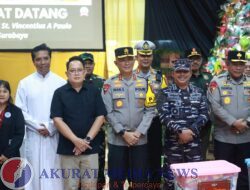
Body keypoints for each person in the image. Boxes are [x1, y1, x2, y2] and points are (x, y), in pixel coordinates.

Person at [102, 47, 155, 190]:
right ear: (115, 62)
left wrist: (137, 133)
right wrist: (124, 133)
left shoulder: (145, 83)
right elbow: (108, 112)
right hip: (118, 141)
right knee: (116, 182)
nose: (126, 63)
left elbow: (150, 110)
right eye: (122, 60)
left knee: (140, 182)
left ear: (134, 60)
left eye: (129, 59)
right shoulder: (109, 84)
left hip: (140, 140)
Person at [50, 56, 107, 190]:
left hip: (90, 148)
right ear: (66, 73)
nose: (76, 73)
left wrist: (85, 141)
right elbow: (57, 120)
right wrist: (75, 140)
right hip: (68, 150)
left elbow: (100, 117)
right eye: (72, 70)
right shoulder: (59, 93)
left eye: (79, 70)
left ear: (85, 72)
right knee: (70, 187)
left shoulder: (94, 91)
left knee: (90, 187)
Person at [15, 43, 65, 190]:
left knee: (54, 175)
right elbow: (20, 110)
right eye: (38, 59)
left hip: (54, 136)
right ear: (33, 61)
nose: (42, 62)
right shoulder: (25, 83)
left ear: (50, 59)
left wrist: (51, 127)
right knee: (33, 175)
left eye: (46, 58)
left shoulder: (61, 82)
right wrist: (38, 126)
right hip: (33, 136)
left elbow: (64, 110)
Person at [157, 59, 209, 190]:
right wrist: (180, 131)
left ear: (190, 73)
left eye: (185, 71)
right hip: (173, 146)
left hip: (194, 144)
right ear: (173, 74)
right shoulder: (164, 93)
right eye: (178, 71)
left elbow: (205, 114)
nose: (182, 74)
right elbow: (164, 116)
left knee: (194, 180)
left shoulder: (199, 92)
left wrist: (191, 131)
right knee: (170, 180)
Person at [207, 50, 250, 190]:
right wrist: (233, 122)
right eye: (234, 64)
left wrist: (246, 123)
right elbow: (215, 106)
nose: (238, 67)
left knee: (244, 175)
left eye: (241, 64)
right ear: (227, 64)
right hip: (224, 138)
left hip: (246, 137)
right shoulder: (217, 82)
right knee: (223, 175)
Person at [134, 41, 167, 189]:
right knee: (137, 161)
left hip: (154, 123)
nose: (145, 59)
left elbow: (164, 103)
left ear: (152, 57)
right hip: (136, 124)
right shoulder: (129, 76)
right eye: (142, 55)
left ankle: (154, 186)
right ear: (137, 57)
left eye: (148, 55)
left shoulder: (160, 77)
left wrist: (158, 95)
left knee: (154, 160)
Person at [79, 52, 106, 190]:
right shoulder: (74, 81)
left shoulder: (102, 82)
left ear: (94, 65)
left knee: (98, 166)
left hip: (98, 134)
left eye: (90, 63)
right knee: (78, 168)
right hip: (77, 134)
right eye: (84, 63)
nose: (87, 66)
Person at [185, 47, 213, 160]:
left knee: (201, 155)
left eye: (197, 58)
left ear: (201, 60)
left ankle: (200, 177)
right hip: (187, 124)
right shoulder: (182, 77)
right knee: (186, 155)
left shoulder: (209, 78)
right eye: (191, 59)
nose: (195, 62)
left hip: (204, 124)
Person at [0, 80, 25, 190]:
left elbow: (19, 135)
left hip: (10, 156)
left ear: (9, 93)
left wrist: (6, 155)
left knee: (9, 185)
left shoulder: (16, 111)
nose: (1, 94)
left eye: (4, 91)